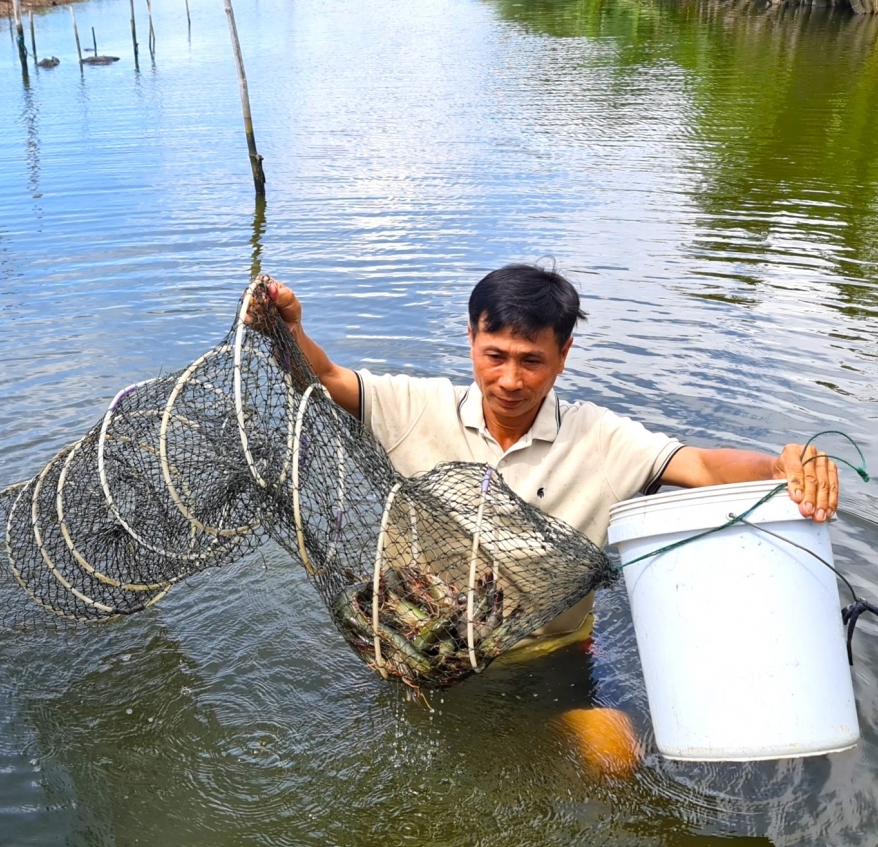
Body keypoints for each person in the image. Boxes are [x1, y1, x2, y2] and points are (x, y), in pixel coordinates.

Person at [259, 263, 840, 647]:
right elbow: (327, 377)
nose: (510, 379)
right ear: (470, 340)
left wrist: (779, 466)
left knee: (613, 754)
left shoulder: (602, 439)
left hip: (550, 656)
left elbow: (703, 466)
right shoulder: (414, 406)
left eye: (531, 360)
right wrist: (288, 329)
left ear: (563, 354)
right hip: (422, 645)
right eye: (494, 355)